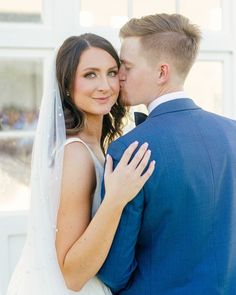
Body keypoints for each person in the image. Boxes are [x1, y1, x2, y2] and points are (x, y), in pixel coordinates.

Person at [6, 33, 155, 295]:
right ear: (66, 85)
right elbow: (72, 275)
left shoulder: (94, 145)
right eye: (90, 75)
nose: (105, 86)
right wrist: (116, 199)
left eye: (111, 73)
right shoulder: (76, 155)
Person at [98, 13, 236, 294]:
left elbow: (114, 273)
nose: (118, 76)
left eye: (126, 66)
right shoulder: (233, 132)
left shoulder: (129, 150)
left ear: (162, 72)